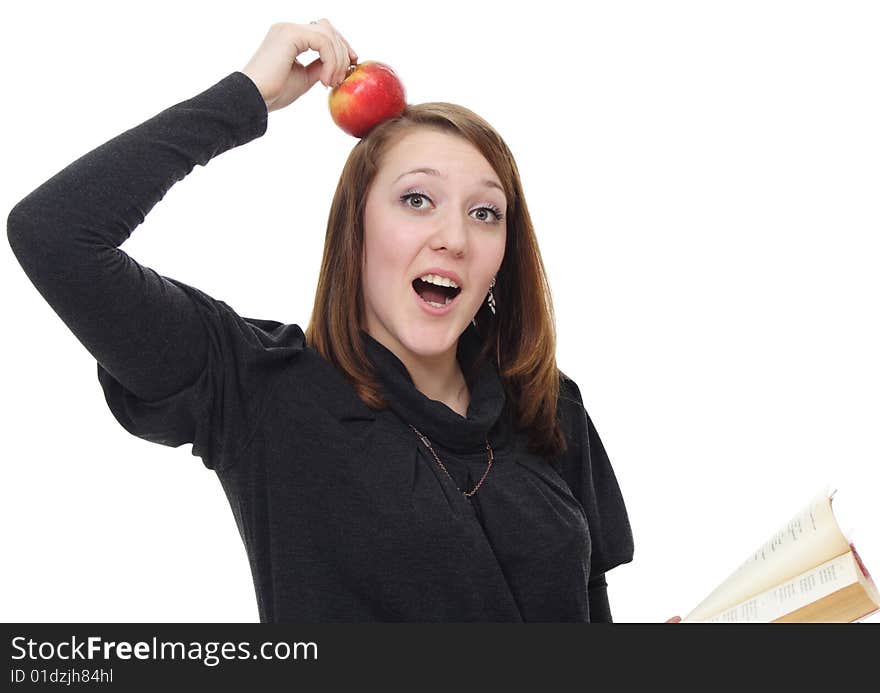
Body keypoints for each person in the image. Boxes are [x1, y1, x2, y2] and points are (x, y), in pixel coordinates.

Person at [7, 19, 634, 623]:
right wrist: (247, 95)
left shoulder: (550, 405)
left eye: (485, 213)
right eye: (418, 199)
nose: (454, 238)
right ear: (355, 227)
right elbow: (55, 235)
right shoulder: (263, 391)